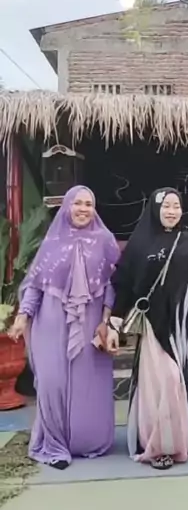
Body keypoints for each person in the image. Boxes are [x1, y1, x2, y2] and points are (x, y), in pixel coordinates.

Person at [106, 188, 188, 470]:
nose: (172, 211)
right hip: (154, 323)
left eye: (176, 206)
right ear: (155, 208)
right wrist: (114, 323)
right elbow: (124, 286)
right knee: (164, 380)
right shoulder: (139, 244)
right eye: (166, 206)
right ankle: (160, 445)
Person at [9, 186, 120, 469]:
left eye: (88, 204)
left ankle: (85, 442)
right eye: (77, 203)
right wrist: (22, 316)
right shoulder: (53, 241)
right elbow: (36, 285)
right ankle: (54, 445)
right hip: (51, 322)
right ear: (67, 206)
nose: (83, 209)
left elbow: (113, 285)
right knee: (52, 382)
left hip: (91, 321)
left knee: (87, 384)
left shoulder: (105, 240)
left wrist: (106, 321)